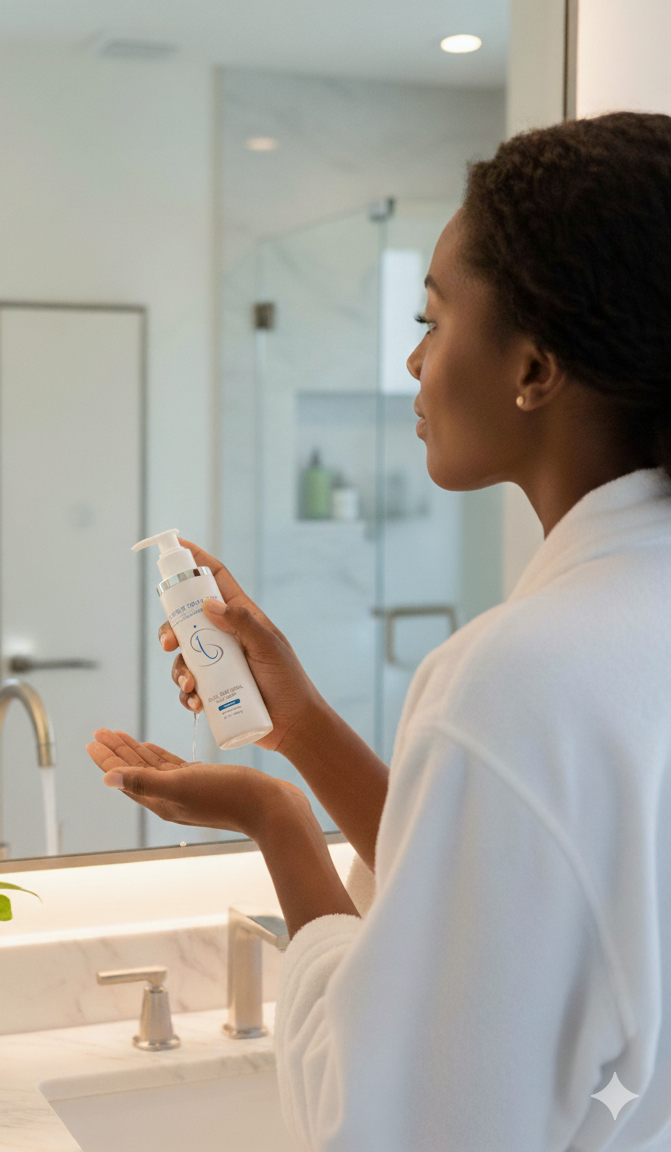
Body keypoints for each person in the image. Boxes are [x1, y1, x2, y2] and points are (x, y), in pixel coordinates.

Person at [86, 112, 671, 1150]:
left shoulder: (516, 676)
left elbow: (387, 1118)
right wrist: (300, 726)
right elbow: (522, 909)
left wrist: (276, 823)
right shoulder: (621, 627)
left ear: (533, 367)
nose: (410, 360)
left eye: (432, 318)